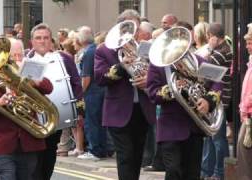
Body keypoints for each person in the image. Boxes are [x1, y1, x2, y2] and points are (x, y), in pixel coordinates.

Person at [146, 28, 223, 180]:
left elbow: (217, 82)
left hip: (194, 128)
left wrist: (208, 101)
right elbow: (153, 93)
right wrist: (174, 89)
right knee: (173, 170)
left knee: (192, 174)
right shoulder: (157, 66)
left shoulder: (199, 61)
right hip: (170, 128)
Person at [0, 37, 52, 180]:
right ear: (3, 56)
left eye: (20, 55)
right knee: (7, 177)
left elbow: (49, 87)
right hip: (3, 143)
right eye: (13, 56)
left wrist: (36, 82)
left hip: (28, 142)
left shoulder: (29, 69)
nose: (17, 59)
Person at [94, 9, 156, 180]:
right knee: (126, 155)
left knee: (137, 156)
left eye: (135, 28)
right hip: (118, 111)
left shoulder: (147, 49)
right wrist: (122, 67)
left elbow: (158, 75)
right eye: (128, 27)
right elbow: (100, 78)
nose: (132, 32)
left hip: (142, 109)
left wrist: (148, 80)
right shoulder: (105, 50)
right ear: (120, 28)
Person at [28, 23, 83, 180]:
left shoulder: (64, 58)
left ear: (51, 41)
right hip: (34, 118)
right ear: (32, 41)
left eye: (46, 38)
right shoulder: (27, 60)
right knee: (34, 159)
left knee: (50, 153)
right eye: (38, 38)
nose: (42, 41)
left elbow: (76, 85)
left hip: (57, 116)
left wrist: (79, 111)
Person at [200, 23, 232, 180]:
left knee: (217, 139)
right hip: (220, 99)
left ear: (213, 37)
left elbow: (204, 74)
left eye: (208, 37)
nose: (207, 40)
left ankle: (218, 172)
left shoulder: (219, 54)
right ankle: (210, 171)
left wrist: (208, 54)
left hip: (217, 100)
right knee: (212, 138)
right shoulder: (225, 50)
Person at [76, 25, 108, 160]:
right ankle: (101, 149)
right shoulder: (97, 49)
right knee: (100, 122)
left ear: (81, 39)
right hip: (100, 90)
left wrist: (80, 94)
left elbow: (86, 77)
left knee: (91, 122)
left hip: (92, 93)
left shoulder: (88, 52)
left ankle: (94, 150)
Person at [238, 22, 252, 180]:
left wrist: (245, 105)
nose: (247, 46)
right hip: (247, 115)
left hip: (250, 115)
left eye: (249, 43)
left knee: (245, 156)